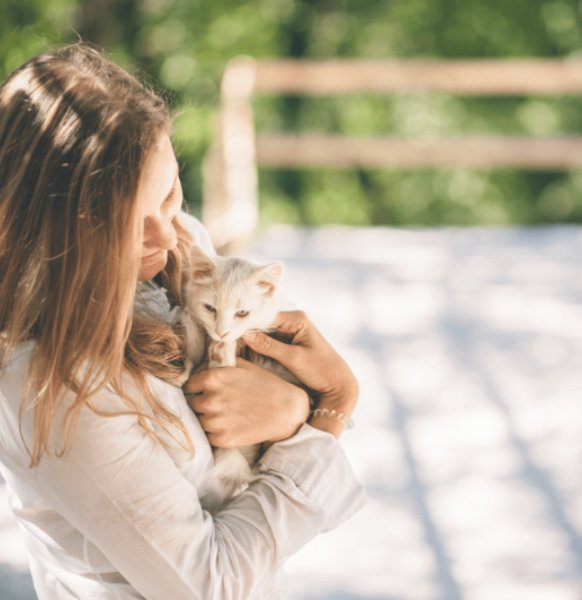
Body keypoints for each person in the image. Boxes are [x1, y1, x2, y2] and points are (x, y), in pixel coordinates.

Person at [0, 43, 365, 599]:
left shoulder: (176, 251)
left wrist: (291, 408)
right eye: (129, 221)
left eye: (169, 192)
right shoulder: (51, 386)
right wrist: (329, 407)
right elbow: (210, 585)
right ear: (62, 233)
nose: (169, 235)